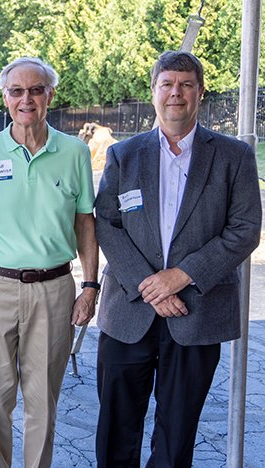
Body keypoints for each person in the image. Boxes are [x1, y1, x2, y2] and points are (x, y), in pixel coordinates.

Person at [94, 51, 261, 467]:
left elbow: (245, 230)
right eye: (167, 84)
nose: (176, 93)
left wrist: (182, 275)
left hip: (196, 312)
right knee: (116, 426)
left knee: (177, 431)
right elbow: (106, 222)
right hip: (128, 312)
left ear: (200, 93)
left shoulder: (233, 156)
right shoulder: (124, 155)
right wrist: (150, 286)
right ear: (153, 92)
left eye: (186, 85)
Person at [0, 57, 99, 468]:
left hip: (54, 290)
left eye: (35, 90)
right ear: (5, 98)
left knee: (42, 401)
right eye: (17, 91)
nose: (26, 99)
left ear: (50, 95)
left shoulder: (75, 152)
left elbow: (86, 222)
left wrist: (90, 285)